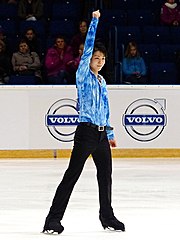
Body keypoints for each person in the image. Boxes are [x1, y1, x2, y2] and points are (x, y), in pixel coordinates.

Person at [42, 10, 125, 235]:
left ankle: (107, 217)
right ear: (89, 59)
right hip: (86, 133)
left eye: (103, 58)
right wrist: (95, 22)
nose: (100, 61)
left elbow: (105, 109)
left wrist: (109, 134)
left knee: (105, 176)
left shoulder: (102, 80)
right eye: (96, 58)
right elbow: (88, 46)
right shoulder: (83, 75)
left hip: (100, 136)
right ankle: (52, 219)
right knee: (72, 176)